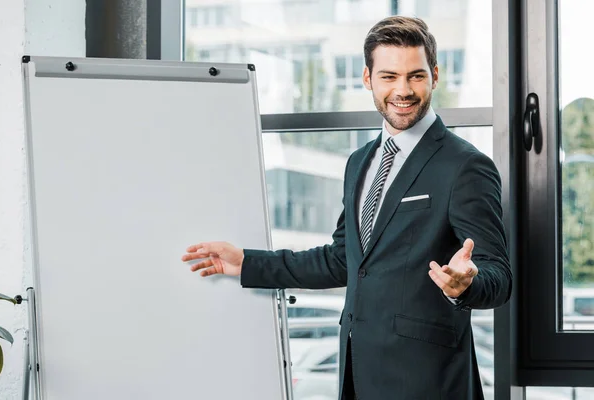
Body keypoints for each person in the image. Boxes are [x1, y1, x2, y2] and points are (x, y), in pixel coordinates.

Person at [181, 16, 512, 400]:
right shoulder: (360, 163)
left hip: (429, 382)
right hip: (357, 373)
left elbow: (498, 276)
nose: (402, 90)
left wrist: (465, 285)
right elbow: (344, 259)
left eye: (415, 76)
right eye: (389, 77)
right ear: (368, 79)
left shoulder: (464, 165)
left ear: (435, 76)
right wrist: (246, 262)